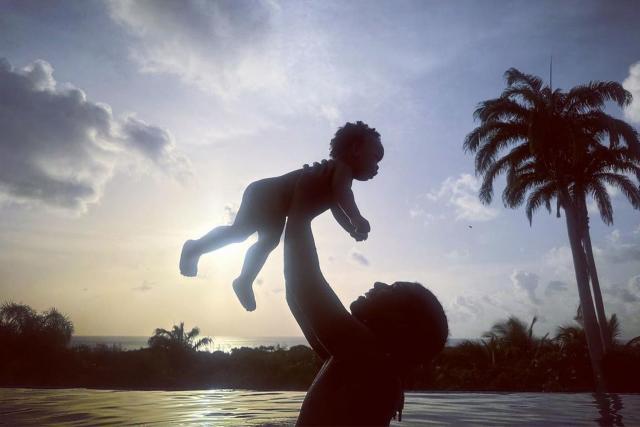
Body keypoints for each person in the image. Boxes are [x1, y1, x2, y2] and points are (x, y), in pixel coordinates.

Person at [284, 162, 448, 426]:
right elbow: (298, 297)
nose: (380, 283)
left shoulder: (366, 357)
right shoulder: (354, 359)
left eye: (393, 289)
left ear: (399, 325)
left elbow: (304, 287)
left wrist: (301, 209)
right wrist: (301, 213)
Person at [180, 121, 384, 311]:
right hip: (269, 195)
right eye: (375, 156)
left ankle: (237, 275)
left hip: (265, 194)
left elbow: (336, 206)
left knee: (252, 237)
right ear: (356, 149)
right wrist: (357, 219)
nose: (377, 166)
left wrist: (350, 228)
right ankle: (203, 254)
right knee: (250, 236)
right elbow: (343, 196)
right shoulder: (341, 169)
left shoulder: (333, 174)